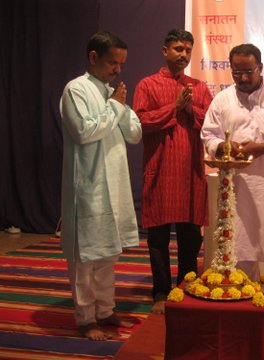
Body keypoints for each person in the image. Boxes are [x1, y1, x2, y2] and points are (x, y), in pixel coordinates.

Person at [201, 43, 264, 325]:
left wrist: (263, 147)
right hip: (240, 186)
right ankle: (245, 294)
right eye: (237, 72)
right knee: (242, 242)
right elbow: (207, 133)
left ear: (260, 68)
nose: (243, 78)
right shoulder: (222, 100)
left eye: (248, 71)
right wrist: (222, 147)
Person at [59, 31, 142, 340]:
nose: (117, 70)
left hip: (115, 185)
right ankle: (85, 318)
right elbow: (83, 132)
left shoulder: (111, 94)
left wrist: (118, 107)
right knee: (86, 259)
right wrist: (115, 107)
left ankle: (105, 311)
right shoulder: (75, 90)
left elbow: (134, 134)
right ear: (93, 58)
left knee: (108, 255)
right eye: (112, 63)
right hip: (89, 186)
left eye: (121, 63)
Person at [133, 29, 213, 314]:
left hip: (191, 171)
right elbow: (140, 122)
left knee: (192, 236)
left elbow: (212, 124)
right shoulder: (148, 85)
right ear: (164, 51)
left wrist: (191, 110)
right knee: (157, 238)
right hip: (160, 170)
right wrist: (174, 107)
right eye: (178, 49)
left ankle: (187, 286)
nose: (184, 54)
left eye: (188, 49)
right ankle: (161, 290)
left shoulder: (200, 87)